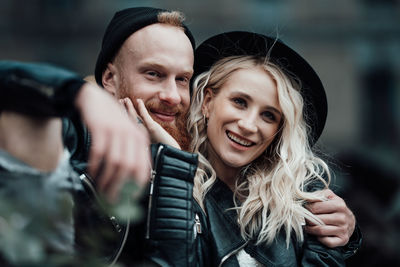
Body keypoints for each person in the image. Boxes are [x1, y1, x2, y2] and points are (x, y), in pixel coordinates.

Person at [0, 7, 360, 265]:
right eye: (154, 74)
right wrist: (77, 95)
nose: (172, 95)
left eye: (182, 79)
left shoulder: (296, 195)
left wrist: (345, 237)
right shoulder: (78, 134)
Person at [135, 31, 361, 266]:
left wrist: (344, 236)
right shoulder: (157, 178)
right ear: (207, 102)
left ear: (278, 130)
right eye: (240, 102)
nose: (248, 125)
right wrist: (173, 163)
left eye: (268, 115)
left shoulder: (302, 200)